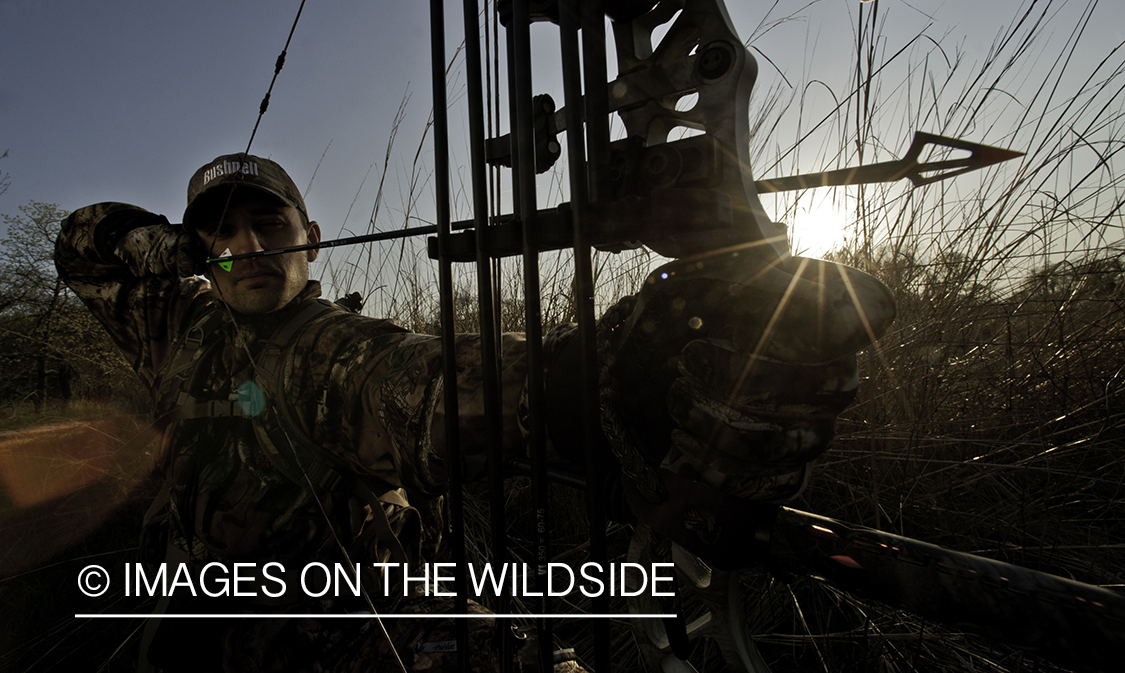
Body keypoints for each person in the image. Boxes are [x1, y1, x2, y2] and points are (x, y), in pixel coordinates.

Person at [54, 152, 894, 672]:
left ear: (309, 236)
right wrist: (159, 246)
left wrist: (620, 374)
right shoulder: (174, 323)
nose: (248, 247)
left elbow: (423, 388)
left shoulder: (332, 350)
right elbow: (78, 243)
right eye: (223, 234)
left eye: (267, 224)